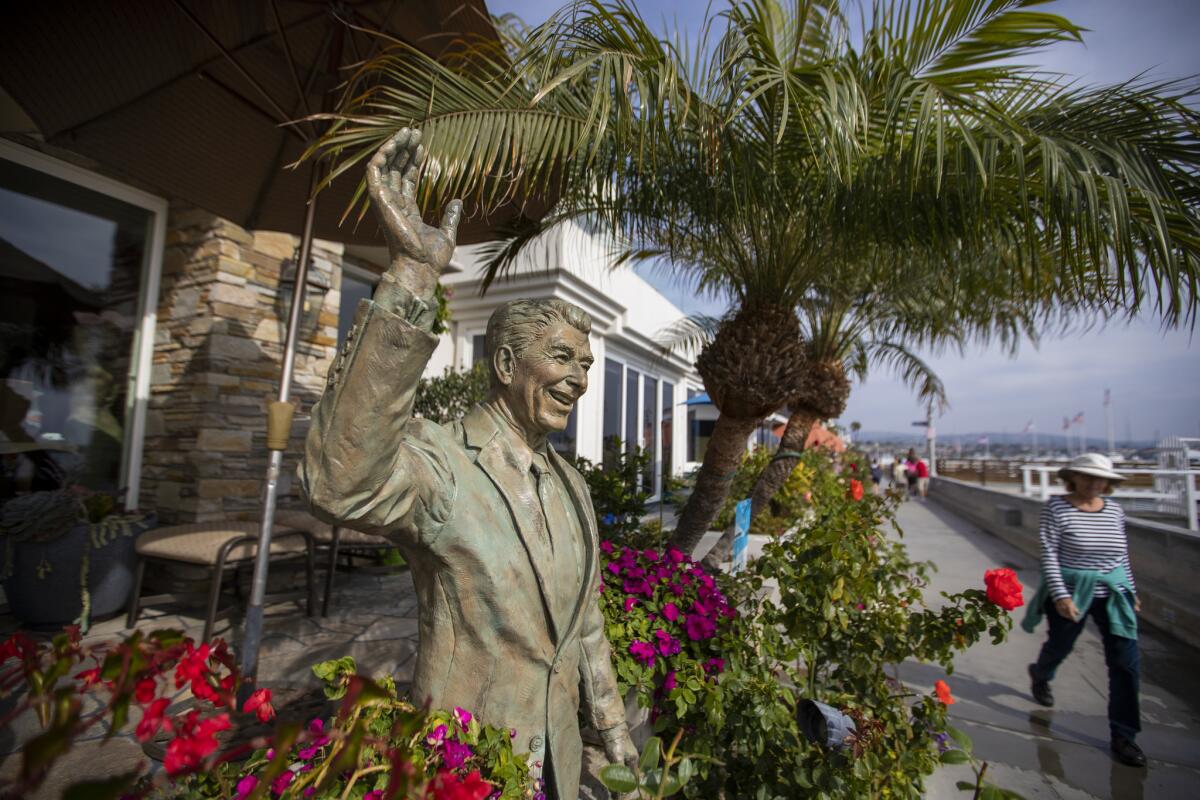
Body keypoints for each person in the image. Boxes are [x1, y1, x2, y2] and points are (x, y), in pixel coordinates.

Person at [301, 129, 635, 799]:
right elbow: (340, 483)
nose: (580, 379)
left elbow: (585, 620)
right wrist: (414, 277)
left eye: (588, 365)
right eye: (563, 359)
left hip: (560, 768)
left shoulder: (570, 486)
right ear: (508, 364)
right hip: (466, 766)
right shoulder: (443, 461)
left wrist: (611, 722)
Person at [1021, 453, 1144, 767]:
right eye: (1087, 476)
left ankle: (1124, 735)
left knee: (1125, 663)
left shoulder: (1115, 510)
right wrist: (1061, 596)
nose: (1094, 483)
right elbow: (1048, 554)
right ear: (1072, 477)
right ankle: (1041, 673)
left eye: (1100, 478)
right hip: (1072, 590)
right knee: (1060, 645)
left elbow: (1122, 556)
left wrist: (1132, 591)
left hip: (1113, 594)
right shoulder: (1057, 508)